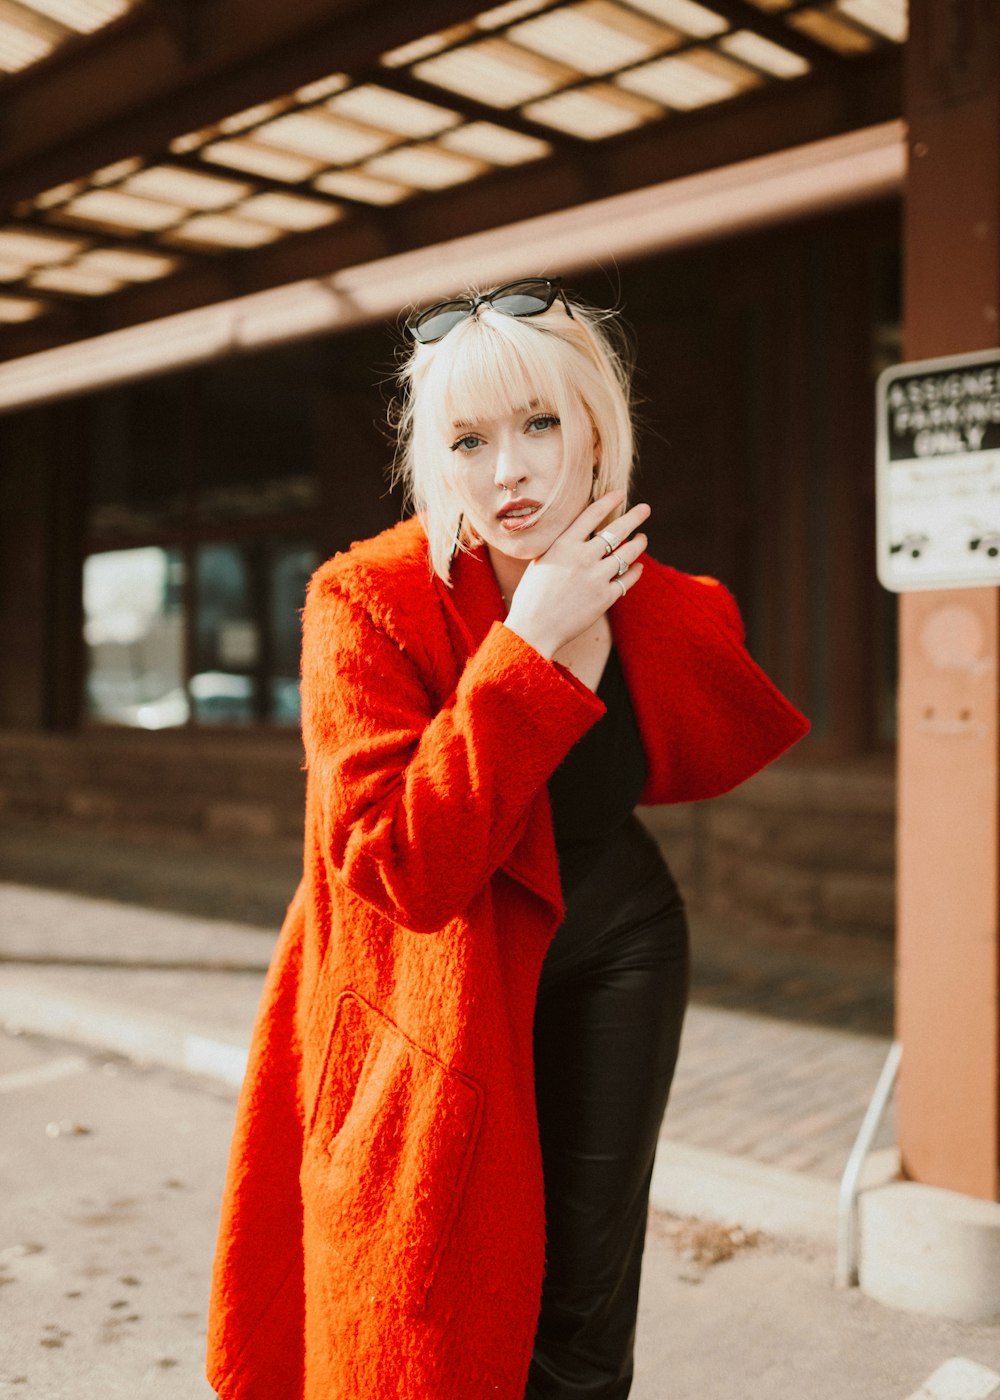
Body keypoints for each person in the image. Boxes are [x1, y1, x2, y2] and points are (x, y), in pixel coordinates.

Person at [207, 276, 809, 1400]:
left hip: (618, 942)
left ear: (594, 424)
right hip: (430, 974)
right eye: (470, 438)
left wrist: (612, 615)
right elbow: (402, 868)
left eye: (540, 422)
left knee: (583, 1295)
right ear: (435, 453)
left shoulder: (649, 598)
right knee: (425, 1307)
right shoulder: (365, 600)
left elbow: (716, 728)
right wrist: (527, 652)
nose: (509, 470)